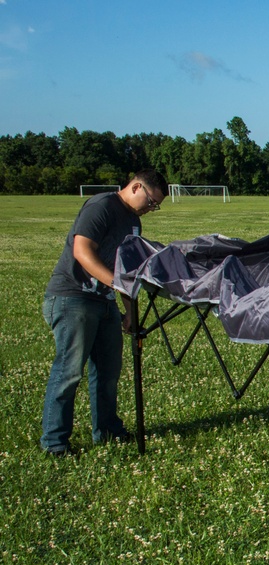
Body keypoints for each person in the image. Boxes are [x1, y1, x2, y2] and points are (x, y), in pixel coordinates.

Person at [40, 169, 168, 456]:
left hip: (104, 300)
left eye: (155, 206)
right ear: (136, 187)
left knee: (108, 372)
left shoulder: (133, 221)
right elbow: (82, 251)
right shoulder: (102, 206)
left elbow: (126, 269)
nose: (151, 209)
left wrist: (130, 311)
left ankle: (108, 430)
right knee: (68, 372)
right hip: (73, 297)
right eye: (150, 202)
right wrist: (116, 284)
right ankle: (55, 442)